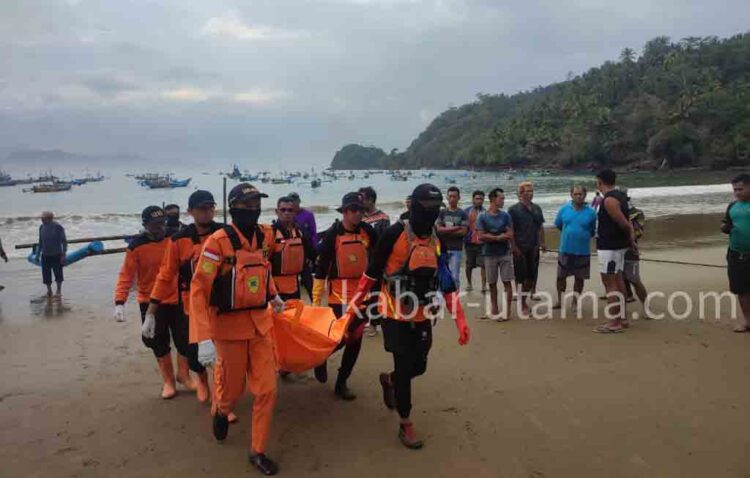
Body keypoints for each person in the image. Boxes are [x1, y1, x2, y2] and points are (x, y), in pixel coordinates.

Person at [342, 183, 470, 449]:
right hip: (393, 313)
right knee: (403, 365)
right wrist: (353, 309)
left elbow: (446, 280)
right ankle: (406, 423)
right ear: (414, 207)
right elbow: (371, 273)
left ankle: (389, 380)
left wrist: (460, 320)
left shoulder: (435, 238)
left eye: (436, 208)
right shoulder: (394, 234)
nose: (431, 213)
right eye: (426, 208)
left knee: (419, 365)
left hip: (422, 312)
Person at [189, 183, 284, 475]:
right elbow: (198, 290)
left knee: (267, 390)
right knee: (232, 391)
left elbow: (262, 269)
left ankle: (258, 450)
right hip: (228, 329)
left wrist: (273, 294)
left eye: (256, 204)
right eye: (247, 205)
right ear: (234, 208)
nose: (253, 209)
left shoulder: (264, 236)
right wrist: (202, 338)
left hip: (260, 325)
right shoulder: (217, 243)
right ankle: (220, 409)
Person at [147, 191, 222, 405]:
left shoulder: (224, 233)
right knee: (195, 352)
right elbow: (165, 275)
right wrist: (151, 312)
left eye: (210, 208)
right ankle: (202, 380)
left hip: (221, 301)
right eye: (201, 208)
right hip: (191, 304)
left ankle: (221, 397)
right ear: (190, 211)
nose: (206, 212)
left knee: (223, 351)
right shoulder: (178, 240)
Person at [114, 206, 191, 399]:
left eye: (162, 223)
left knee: (185, 337)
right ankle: (168, 381)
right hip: (150, 301)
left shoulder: (174, 239)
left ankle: (184, 375)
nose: (159, 228)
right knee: (157, 340)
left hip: (176, 297)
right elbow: (126, 275)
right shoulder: (136, 246)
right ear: (145, 224)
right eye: (155, 224)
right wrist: (120, 301)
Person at [312, 192, 376, 400]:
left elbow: (379, 258)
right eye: (354, 210)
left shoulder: (367, 231)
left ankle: (342, 382)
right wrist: (316, 301)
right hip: (338, 294)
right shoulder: (333, 235)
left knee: (356, 339)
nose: (358, 214)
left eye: (361, 210)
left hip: (362, 293)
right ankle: (320, 357)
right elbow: (321, 269)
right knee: (341, 337)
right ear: (345, 212)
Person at [594, 169, 637, 334]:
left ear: (600, 182)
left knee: (610, 283)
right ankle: (622, 318)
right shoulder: (620, 196)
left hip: (610, 247)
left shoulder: (609, 200)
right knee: (618, 281)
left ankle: (614, 321)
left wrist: (631, 238)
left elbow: (625, 223)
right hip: (617, 245)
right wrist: (630, 239)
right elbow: (627, 222)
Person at [553, 186, 596, 309]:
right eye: (575, 194)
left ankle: (575, 302)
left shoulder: (591, 212)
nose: (578, 196)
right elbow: (559, 225)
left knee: (580, 278)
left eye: (580, 194)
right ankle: (559, 300)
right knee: (561, 276)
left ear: (585, 195)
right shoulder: (564, 209)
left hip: (582, 250)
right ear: (571, 195)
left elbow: (592, 230)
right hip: (565, 249)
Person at [477, 188, 514, 321]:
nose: (503, 200)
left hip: (505, 252)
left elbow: (510, 234)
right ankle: (495, 308)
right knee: (491, 283)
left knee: (507, 281)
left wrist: (492, 236)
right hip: (489, 253)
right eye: (501, 198)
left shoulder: (505, 216)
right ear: (493, 199)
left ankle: (507, 311)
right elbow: (480, 236)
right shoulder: (482, 216)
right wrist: (499, 237)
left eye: (503, 198)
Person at [508, 182, 546, 315]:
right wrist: (513, 246)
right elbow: (510, 229)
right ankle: (522, 303)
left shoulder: (537, 208)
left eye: (531, 191)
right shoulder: (513, 210)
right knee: (521, 277)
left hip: (533, 247)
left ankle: (524, 298)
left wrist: (542, 242)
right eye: (527, 191)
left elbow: (540, 226)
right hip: (520, 247)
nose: (530, 193)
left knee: (531, 276)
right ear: (520, 193)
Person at [358, 186, 391, 337]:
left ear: (371, 200)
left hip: (376, 261)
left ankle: (374, 323)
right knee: (362, 293)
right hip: (360, 261)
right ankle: (363, 322)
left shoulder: (383, 218)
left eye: (362, 199)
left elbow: (386, 242)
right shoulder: (358, 217)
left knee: (376, 292)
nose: (360, 202)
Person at [271, 196, 317, 302]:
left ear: (295, 212)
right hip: (276, 287)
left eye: (290, 210)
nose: (286, 213)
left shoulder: (300, 232)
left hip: (294, 284)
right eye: (283, 210)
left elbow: (311, 253)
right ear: (277, 212)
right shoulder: (271, 233)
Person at [721, 173, 750, 333]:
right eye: (735, 190)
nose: (737, 192)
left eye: (741, 189)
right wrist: (725, 228)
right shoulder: (732, 206)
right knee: (741, 290)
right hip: (736, 254)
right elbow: (726, 224)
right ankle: (748, 322)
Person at [436, 186, 468, 289]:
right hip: (442, 249)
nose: (452, 199)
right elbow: (439, 230)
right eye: (450, 196)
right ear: (447, 198)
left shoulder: (462, 213)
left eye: (454, 196)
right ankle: (442, 296)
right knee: (441, 275)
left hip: (456, 248)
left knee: (455, 276)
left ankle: (455, 297)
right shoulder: (442, 213)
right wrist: (456, 228)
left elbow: (463, 232)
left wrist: (446, 230)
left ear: (459, 198)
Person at [623, 193, 649, 311]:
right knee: (617, 279)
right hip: (613, 249)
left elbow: (638, 233)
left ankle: (646, 307)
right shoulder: (610, 211)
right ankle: (622, 306)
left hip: (630, 249)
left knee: (634, 279)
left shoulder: (637, 213)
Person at [288, 192, 316, 300]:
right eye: (291, 202)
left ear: (299, 201)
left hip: (305, 252)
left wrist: (312, 255)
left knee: (309, 282)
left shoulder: (308, 215)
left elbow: (313, 235)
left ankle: (315, 303)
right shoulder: (287, 215)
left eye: (295, 201)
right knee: (293, 285)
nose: (293, 204)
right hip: (291, 254)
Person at [38, 211, 67, 297]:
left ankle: (58, 290)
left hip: (56, 254)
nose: (41, 219)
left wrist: (63, 254)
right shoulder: (41, 227)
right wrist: (37, 254)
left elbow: (64, 241)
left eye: (43, 218)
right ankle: (49, 291)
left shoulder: (58, 227)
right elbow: (40, 242)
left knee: (58, 273)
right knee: (46, 275)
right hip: (45, 255)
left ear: (49, 218)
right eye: (41, 218)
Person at [463, 190, 486, 293]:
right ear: (473, 199)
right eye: (477, 199)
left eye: (481, 199)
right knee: (469, 265)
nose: (479, 201)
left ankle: (484, 285)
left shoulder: (486, 212)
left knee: (484, 265)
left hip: (482, 242)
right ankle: (469, 283)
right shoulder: (466, 211)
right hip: (470, 242)